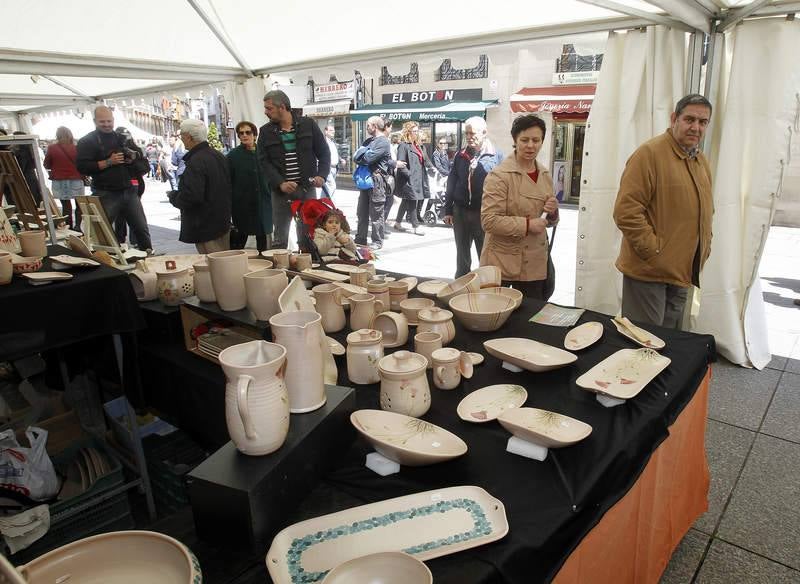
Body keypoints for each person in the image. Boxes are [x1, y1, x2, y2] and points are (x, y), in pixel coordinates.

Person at [613, 94, 714, 329]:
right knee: (643, 343)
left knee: (669, 343)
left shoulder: (700, 160)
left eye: (703, 122)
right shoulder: (649, 154)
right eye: (689, 119)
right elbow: (626, 212)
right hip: (649, 273)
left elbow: (706, 209)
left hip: (682, 272)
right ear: (674, 119)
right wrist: (654, 251)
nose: (696, 127)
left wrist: (705, 245)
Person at [480, 114, 558, 299]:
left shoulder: (545, 174)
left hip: (536, 264)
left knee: (531, 317)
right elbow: (489, 221)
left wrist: (552, 213)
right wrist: (528, 225)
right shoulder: (499, 176)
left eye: (536, 140)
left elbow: (547, 219)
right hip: (505, 265)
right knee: (501, 316)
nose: (530, 145)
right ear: (515, 140)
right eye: (525, 140)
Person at [256, 90, 330, 250]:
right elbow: (263, 162)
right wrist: (280, 183)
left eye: (269, 108)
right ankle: (280, 273)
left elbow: (324, 153)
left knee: (307, 235)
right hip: (280, 193)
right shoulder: (265, 132)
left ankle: (307, 270)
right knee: (280, 238)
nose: (266, 112)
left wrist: (322, 175)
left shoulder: (308, 124)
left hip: (306, 189)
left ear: (282, 107)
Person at [76, 106, 153, 253]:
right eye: (102, 122)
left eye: (109, 121)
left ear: (113, 120)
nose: (106, 124)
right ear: (94, 121)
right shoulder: (87, 141)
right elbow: (82, 167)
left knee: (141, 229)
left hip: (129, 190)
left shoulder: (121, 137)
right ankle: (105, 262)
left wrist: (132, 160)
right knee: (101, 233)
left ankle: (148, 258)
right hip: (106, 192)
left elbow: (140, 160)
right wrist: (107, 162)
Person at [444, 117, 503, 278]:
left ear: (484, 133)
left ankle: (484, 289)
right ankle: (461, 288)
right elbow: (452, 182)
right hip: (460, 212)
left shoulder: (497, 156)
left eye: (473, 133)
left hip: (483, 214)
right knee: (462, 256)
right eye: (467, 133)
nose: (469, 136)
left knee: (485, 255)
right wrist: (448, 210)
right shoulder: (460, 155)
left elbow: (503, 188)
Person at [167, 119, 232, 253]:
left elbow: (192, 195)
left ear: (189, 137)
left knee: (213, 264)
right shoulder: (217, 155)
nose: (182, 139)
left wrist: (174, 197)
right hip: (220, 220)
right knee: (223, 260)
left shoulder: (197, 160)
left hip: (205, 223)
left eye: (182, 136)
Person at [227, 121, 272, 252]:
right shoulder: (233, 156)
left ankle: (265, 266)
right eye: (241, 133)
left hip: (263, 202)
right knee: (239, 238)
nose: (245, 135)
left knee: (263, 238)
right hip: (242, 204)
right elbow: (228, 180)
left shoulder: (264, 153)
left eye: (248, 132)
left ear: (254, 134)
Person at [352, 116, 391, 250]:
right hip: (365, 180)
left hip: (376, 181)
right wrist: (361, 155)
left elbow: (367, 158)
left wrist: (362, 154)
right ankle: (360, 238)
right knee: (361, 212)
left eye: (368, 125)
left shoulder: (383, 142)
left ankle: (377, 241)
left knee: (376, 213)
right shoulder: (369, 140)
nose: (367, 128)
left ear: (374, 126)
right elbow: (356, 157)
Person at [113, 127, 149, 249]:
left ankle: (126, 240)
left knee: (128, 214)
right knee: (129, 215)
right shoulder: (114, 151)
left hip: (132, 185)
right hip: (126, 185)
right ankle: (127, 240)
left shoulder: (135, 150)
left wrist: (133, 161)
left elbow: (144, 167)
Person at [43, 126, 83, 228]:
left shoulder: (52, 148)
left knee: (66, 205)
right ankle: (78, 226)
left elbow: (46, 164)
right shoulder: (77, 148)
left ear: (57, 135)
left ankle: (69, 226)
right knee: (79, 204)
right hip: (76, 178)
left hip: (59, 179)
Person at [393, 121, 428, 236]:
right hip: (408, 179)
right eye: (414, 131)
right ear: (408, 132)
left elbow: (425, 160)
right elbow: (401, 164)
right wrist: (409, 175)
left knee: (406, 201)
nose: (416, 133)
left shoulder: (417, 145)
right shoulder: (403, 145)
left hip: (418, 177)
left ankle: (397, 223)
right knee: (413, 200)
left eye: (417, 131)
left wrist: (434, 169)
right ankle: (415, 226)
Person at [11, 131, 43, 205]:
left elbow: (23, 166)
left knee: (29, 199)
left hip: (24, 177)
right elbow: (34, 164)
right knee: (34, 198)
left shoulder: (19, 150)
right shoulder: (29, 148)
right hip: (29, 177)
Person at [323, 124, 339, 198]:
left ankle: (323, 204)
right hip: (328, 168)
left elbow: (334, 153)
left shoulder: (332, 142)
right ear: (326, 131)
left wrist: (341, 159)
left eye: (334, 130)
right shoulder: (323, 142)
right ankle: (330, 205)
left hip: (334, 168)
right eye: (331, 130)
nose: (333, 132)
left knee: (326, 189)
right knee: (332, 187)